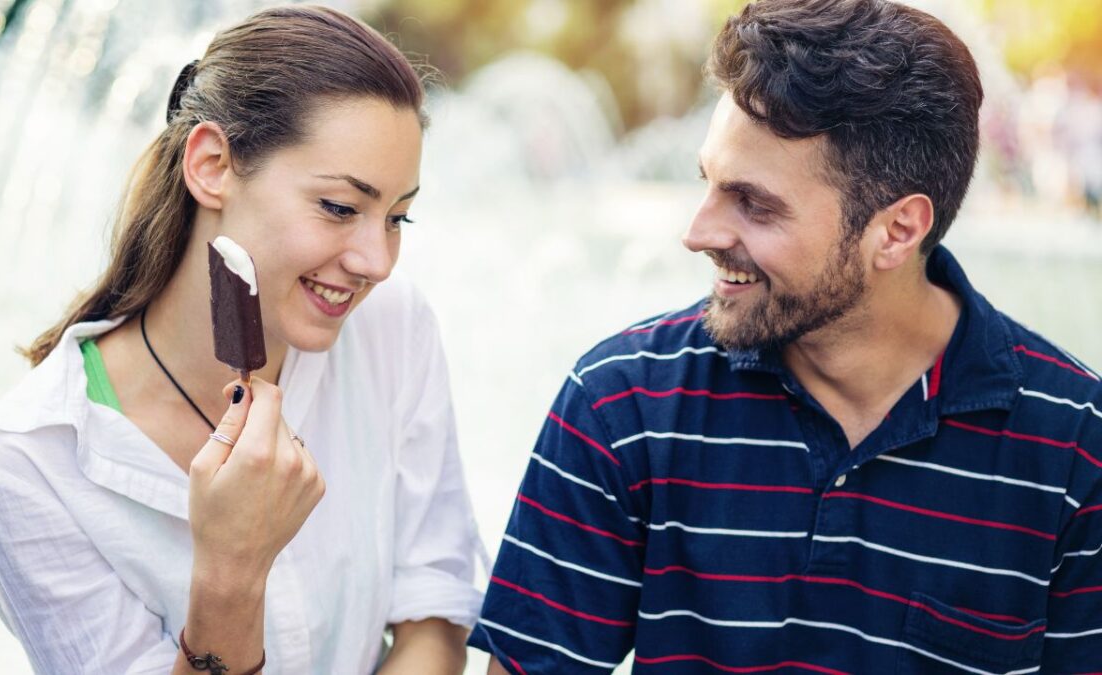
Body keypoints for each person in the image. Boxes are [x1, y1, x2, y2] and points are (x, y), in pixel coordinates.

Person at [469, 0, 1102, 672]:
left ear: (898, 230)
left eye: (754, 203)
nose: (699, 232)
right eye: (708, 183)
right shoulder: (619, 405)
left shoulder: (1075, 446)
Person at [0, 6, 482, 674]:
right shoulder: (27, 462)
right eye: (341, 208)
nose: (377, 262)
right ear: (211, 165)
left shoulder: (392, 327)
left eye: (398, 217)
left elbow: (433, 618)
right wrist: (232, 569)